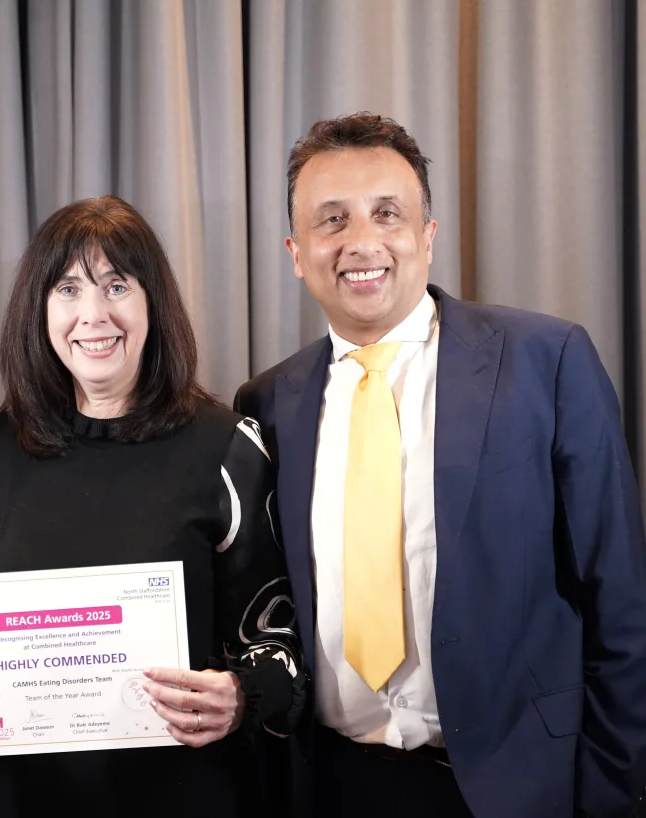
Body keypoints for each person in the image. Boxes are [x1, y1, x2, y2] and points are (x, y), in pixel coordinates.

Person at [234, 111, 646, 818]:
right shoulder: (266, 403)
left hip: (519, 786)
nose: (362, 242)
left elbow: (619, 600)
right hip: (332, 785)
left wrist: (613, 794)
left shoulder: (546, 362)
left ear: (426, 234)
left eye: (386, 214)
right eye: (332, 220)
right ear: (297, 253)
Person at [0, 196, 305, 818]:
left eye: (117, 286)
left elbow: (282, 646)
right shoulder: (1, 451)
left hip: (186, 798)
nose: (93, 314)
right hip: (33, 803)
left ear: (152, 304)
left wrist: (241, 696)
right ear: (40, 310)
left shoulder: (227, 447)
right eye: (68, 290)